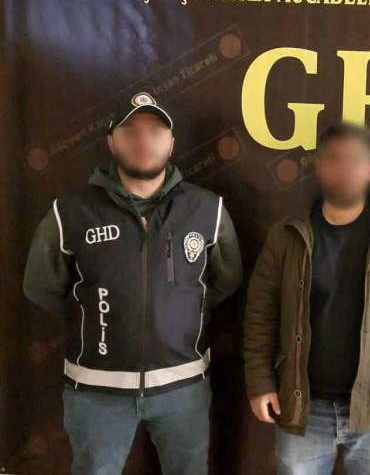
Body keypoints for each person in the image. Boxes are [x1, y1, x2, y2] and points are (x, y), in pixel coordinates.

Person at [23, 91, 243, 475]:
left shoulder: (208, 209)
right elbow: (42, 288)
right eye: (131, 131)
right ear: (111, 141)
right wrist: (96, 316)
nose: (144, 140)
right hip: (96, 392)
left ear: (171, 143)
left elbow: (225, 282)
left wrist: (177, 311)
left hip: (183, 390)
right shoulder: (70, 212)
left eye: (156, 131)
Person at [243, 121, 370, 475]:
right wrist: (260, 383)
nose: (344, 169)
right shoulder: (287, 235)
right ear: (319, 167)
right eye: (334, 159)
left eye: (355, 160)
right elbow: (260, 314)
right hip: (303, 407)